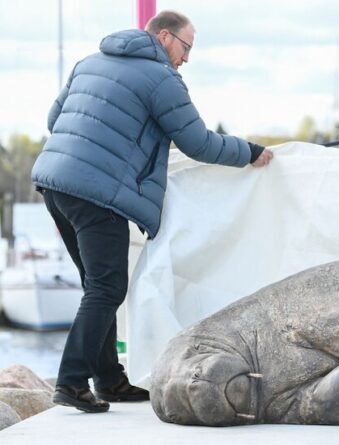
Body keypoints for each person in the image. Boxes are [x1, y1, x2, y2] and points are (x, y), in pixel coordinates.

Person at [30, 10, 273, 413]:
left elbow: (55, 119)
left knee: (98, 286)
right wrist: (248, 152)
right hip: (96, 193)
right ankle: (71, 382)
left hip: (54, 183)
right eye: (187, 47)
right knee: (107, 288)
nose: (187, 58)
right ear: (165, 37)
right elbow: (198, 143)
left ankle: (109, 379)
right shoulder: (162, 79)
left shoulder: (89, 62)